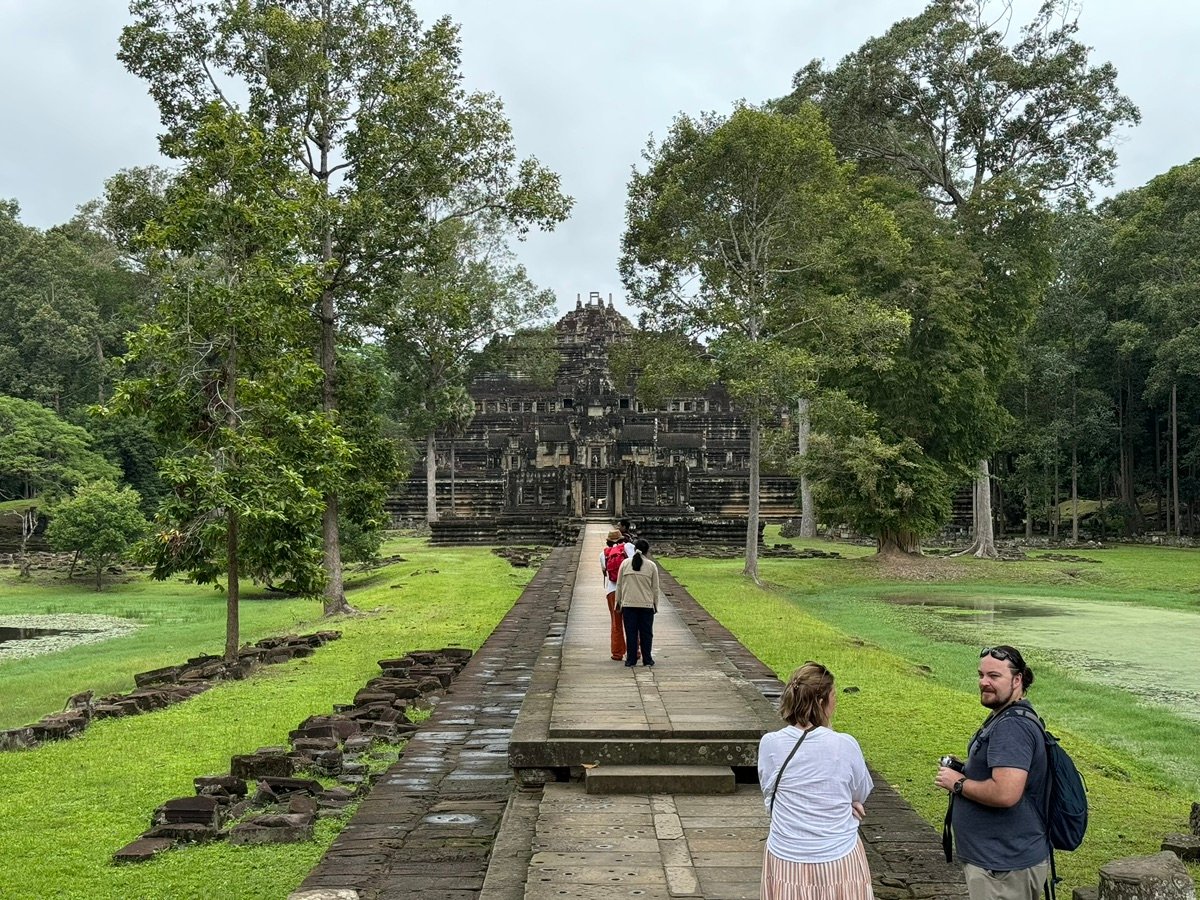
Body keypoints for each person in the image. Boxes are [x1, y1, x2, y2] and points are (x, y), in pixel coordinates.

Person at [935, 645, 1049, 900]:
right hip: (998, 862)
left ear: (1017, 679)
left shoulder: (1013, 727)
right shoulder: (1007, 716)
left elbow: (1006, 793)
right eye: (981, 675)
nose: (984, 682)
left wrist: (958, 783)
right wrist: (967, 769)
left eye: (994, 676)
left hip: (1003, 867)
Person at [758, 661, 874, 900]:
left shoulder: (770, 744)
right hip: (838, 858)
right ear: (822, 702)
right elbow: (860, 792)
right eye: (834, 695)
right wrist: (846, 802)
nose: (836, 702)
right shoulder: (844, 744)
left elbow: (771, 792)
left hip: (786, 856)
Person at [614, 538, 658, 667]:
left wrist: (618, 602)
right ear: (647, 551)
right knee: (646, 633)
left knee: (631, 633)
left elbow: (619, 585)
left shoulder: (625, 563)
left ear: (634, 549)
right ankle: (647, 659)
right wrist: (655, 605)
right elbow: (655, 588)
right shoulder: (651, 566)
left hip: (628, 604)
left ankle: (631, 659)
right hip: (646, 604)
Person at [601, 528, 633, 661]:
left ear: (608, 541)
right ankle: (635, 651)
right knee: (631, 621)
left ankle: (617, 653)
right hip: (628, 589)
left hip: (612, 590)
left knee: (616, 623)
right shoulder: (629, 547)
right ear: (622, 539)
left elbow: (605, 572)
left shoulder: (603, 554)